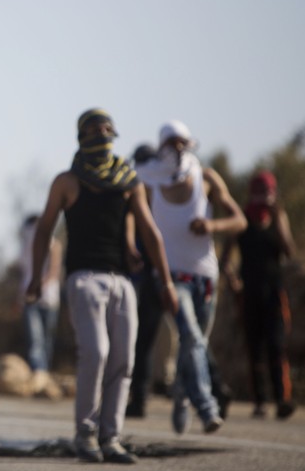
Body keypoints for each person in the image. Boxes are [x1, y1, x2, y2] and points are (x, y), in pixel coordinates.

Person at [27, 108, 177, 465]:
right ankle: (86, 434)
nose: (103, 134)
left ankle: (111, 437)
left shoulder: (129, 181)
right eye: (95, 129)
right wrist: (36, 276)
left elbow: (149, 233)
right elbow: (44, 230)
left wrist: (166, 281)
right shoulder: (67, 181)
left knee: (124, 359)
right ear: (82, 136)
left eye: (108, 129)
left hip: (123, 282)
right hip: (83, 279)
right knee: (96, 353)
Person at [138, 119, 246, 435]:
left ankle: (182, 396)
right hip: (171, 277)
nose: (176, 148)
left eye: (180, 142)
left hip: (206, 276)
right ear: (160, 147)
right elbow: (135, 221)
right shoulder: (149, 181)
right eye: (170, 143)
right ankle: (206, 407)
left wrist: (211, 227)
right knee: (192, 336)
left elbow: (239, 220)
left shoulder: (206, 177)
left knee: (193, 343)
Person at [220, 170, 296, 420]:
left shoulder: (277, 218)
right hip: (249, 293)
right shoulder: (241, 220)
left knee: (276, 346)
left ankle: (282, 399)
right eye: (260, 191)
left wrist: (278, 218)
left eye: (268, 191)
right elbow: (225, 259)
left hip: (274, 292)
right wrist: (233, 281)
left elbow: (289, 250)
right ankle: (260, 401)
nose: (264, 197)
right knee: (254, 348)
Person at [125, 144, 167, 418]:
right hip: (143, 272)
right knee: (140, 339)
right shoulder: (148, 186)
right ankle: (138, 397)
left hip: (149, 274)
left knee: (140, 339)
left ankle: (139, 398)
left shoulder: (155, 188)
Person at [18, 213, 62, 373]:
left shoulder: (53, 245)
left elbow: (54, 271)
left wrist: (39, 283)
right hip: (29, 298)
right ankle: (39, 372)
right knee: (35, 339)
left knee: (47, 340)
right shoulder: (24, 248)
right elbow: (23, 273)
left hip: (49, 298)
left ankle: (44, 372)